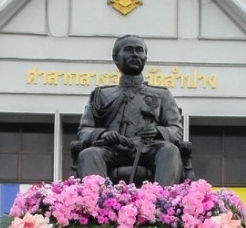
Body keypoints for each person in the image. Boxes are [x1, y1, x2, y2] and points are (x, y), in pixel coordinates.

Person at [72, 35, 189, 184]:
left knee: (170, 150)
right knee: (88, 154)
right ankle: (99, 197)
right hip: (112, 149)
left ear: (145, 58)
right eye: (128, 50)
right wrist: (103, 134)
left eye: (139, 50)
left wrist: (158, 131)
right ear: (115, 58)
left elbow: (176, 130)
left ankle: (162, 197)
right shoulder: (100, 95)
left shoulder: (162, 94)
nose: (135, 54)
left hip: (148, 147)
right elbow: (84, 130)